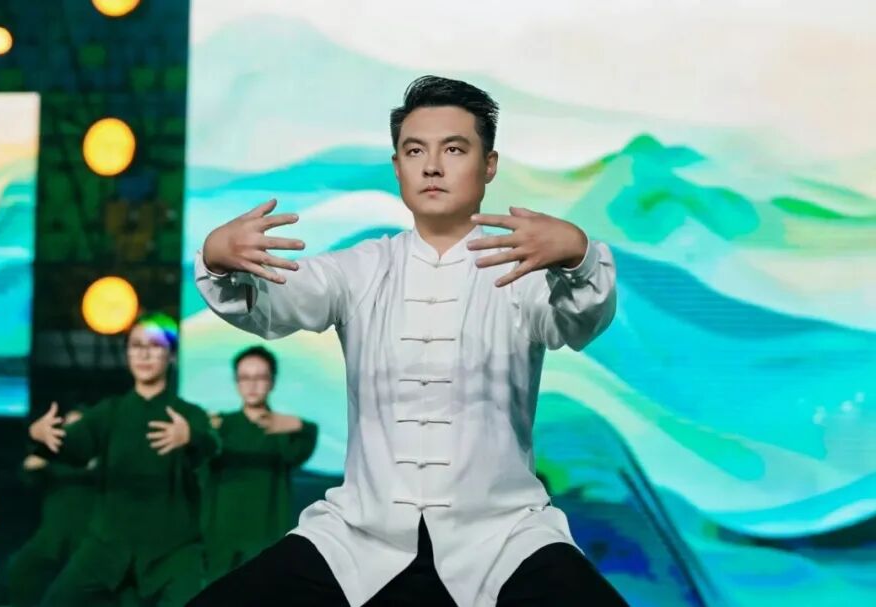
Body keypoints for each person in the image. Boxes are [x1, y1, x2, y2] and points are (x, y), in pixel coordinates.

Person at [189, 75, 624, 606]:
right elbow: (276, 302)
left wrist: (578, 255)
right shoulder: (361, 267)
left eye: (454, 150)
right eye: (415, 151)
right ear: (397, 167)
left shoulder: (522, 269)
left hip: (503, 534)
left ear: (489, 165)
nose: (432, 166)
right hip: (359, 535)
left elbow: (579, 322)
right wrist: (219, 260)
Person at [28, 313, 219, 607]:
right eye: (136, 345)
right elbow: (73, 448)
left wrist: (190, 436)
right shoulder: (111, 412)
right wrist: (41, 435)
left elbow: (211, 445)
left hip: (172, 549)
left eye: (154, 346)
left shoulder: (187, 414)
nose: (144, 354)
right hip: (108, 545)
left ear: (171, 355)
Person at [203, 346, 318, 579]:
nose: (252, 385)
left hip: (268, 535)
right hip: (222, 538)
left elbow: (303, 447)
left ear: (272, 382)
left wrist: (299, 425)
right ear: (236, 383)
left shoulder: (284, 429)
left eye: (260, 377)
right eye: (245, 378)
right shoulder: (220, 427)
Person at [7, 406, 98, 607]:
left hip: (88, 541)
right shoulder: (54, 458)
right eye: (69, 427)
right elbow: (27, 470)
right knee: (20, 569)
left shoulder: (102, 458)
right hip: (52, 539)